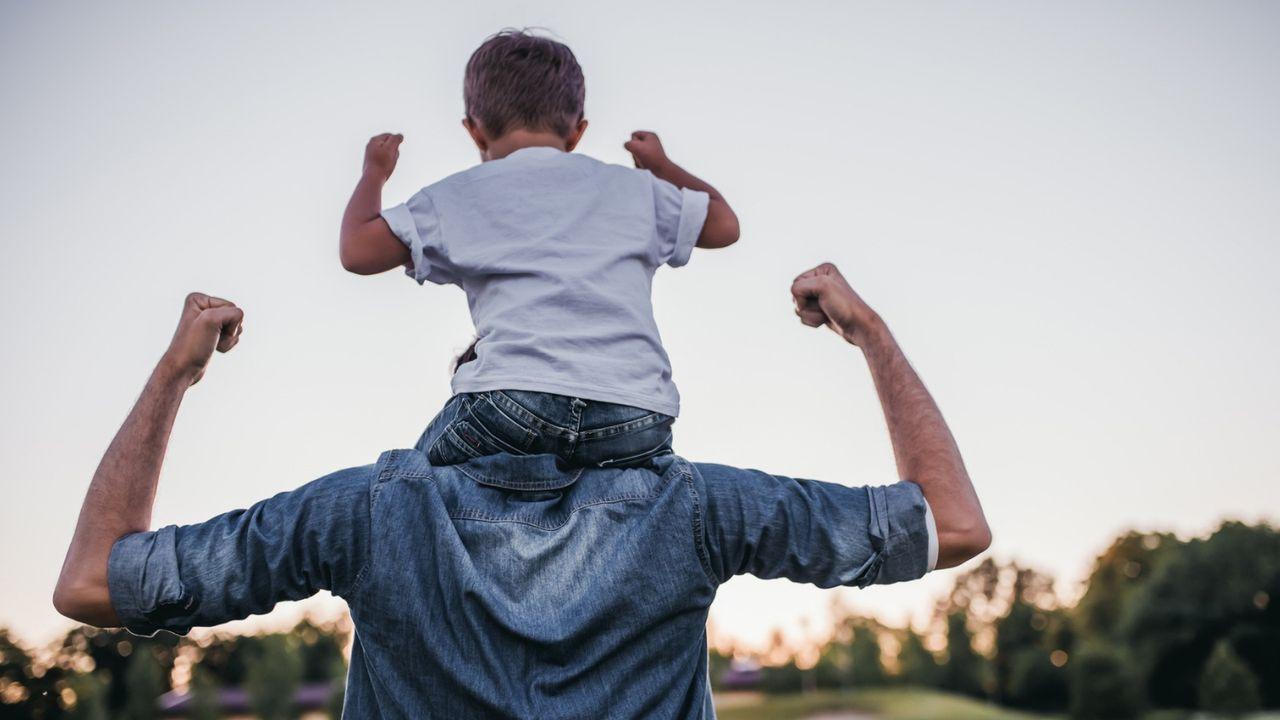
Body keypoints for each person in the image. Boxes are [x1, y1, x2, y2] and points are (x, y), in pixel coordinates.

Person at [53, 263, 991, 719]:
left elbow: (93, 581)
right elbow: (951, 523)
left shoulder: (370, 513)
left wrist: (175, 375)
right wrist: (868, 332)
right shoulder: (695, 509)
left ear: (469, 381)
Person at [338, 29, 740, 469]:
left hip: (513, 406)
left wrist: (374, 173)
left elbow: (357, 251)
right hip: (637, 415)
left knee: (408, 485)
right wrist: (661, 166)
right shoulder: (635, 190)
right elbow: (724, 225)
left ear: (474, 131)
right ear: (578, 132)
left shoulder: (459, 196)